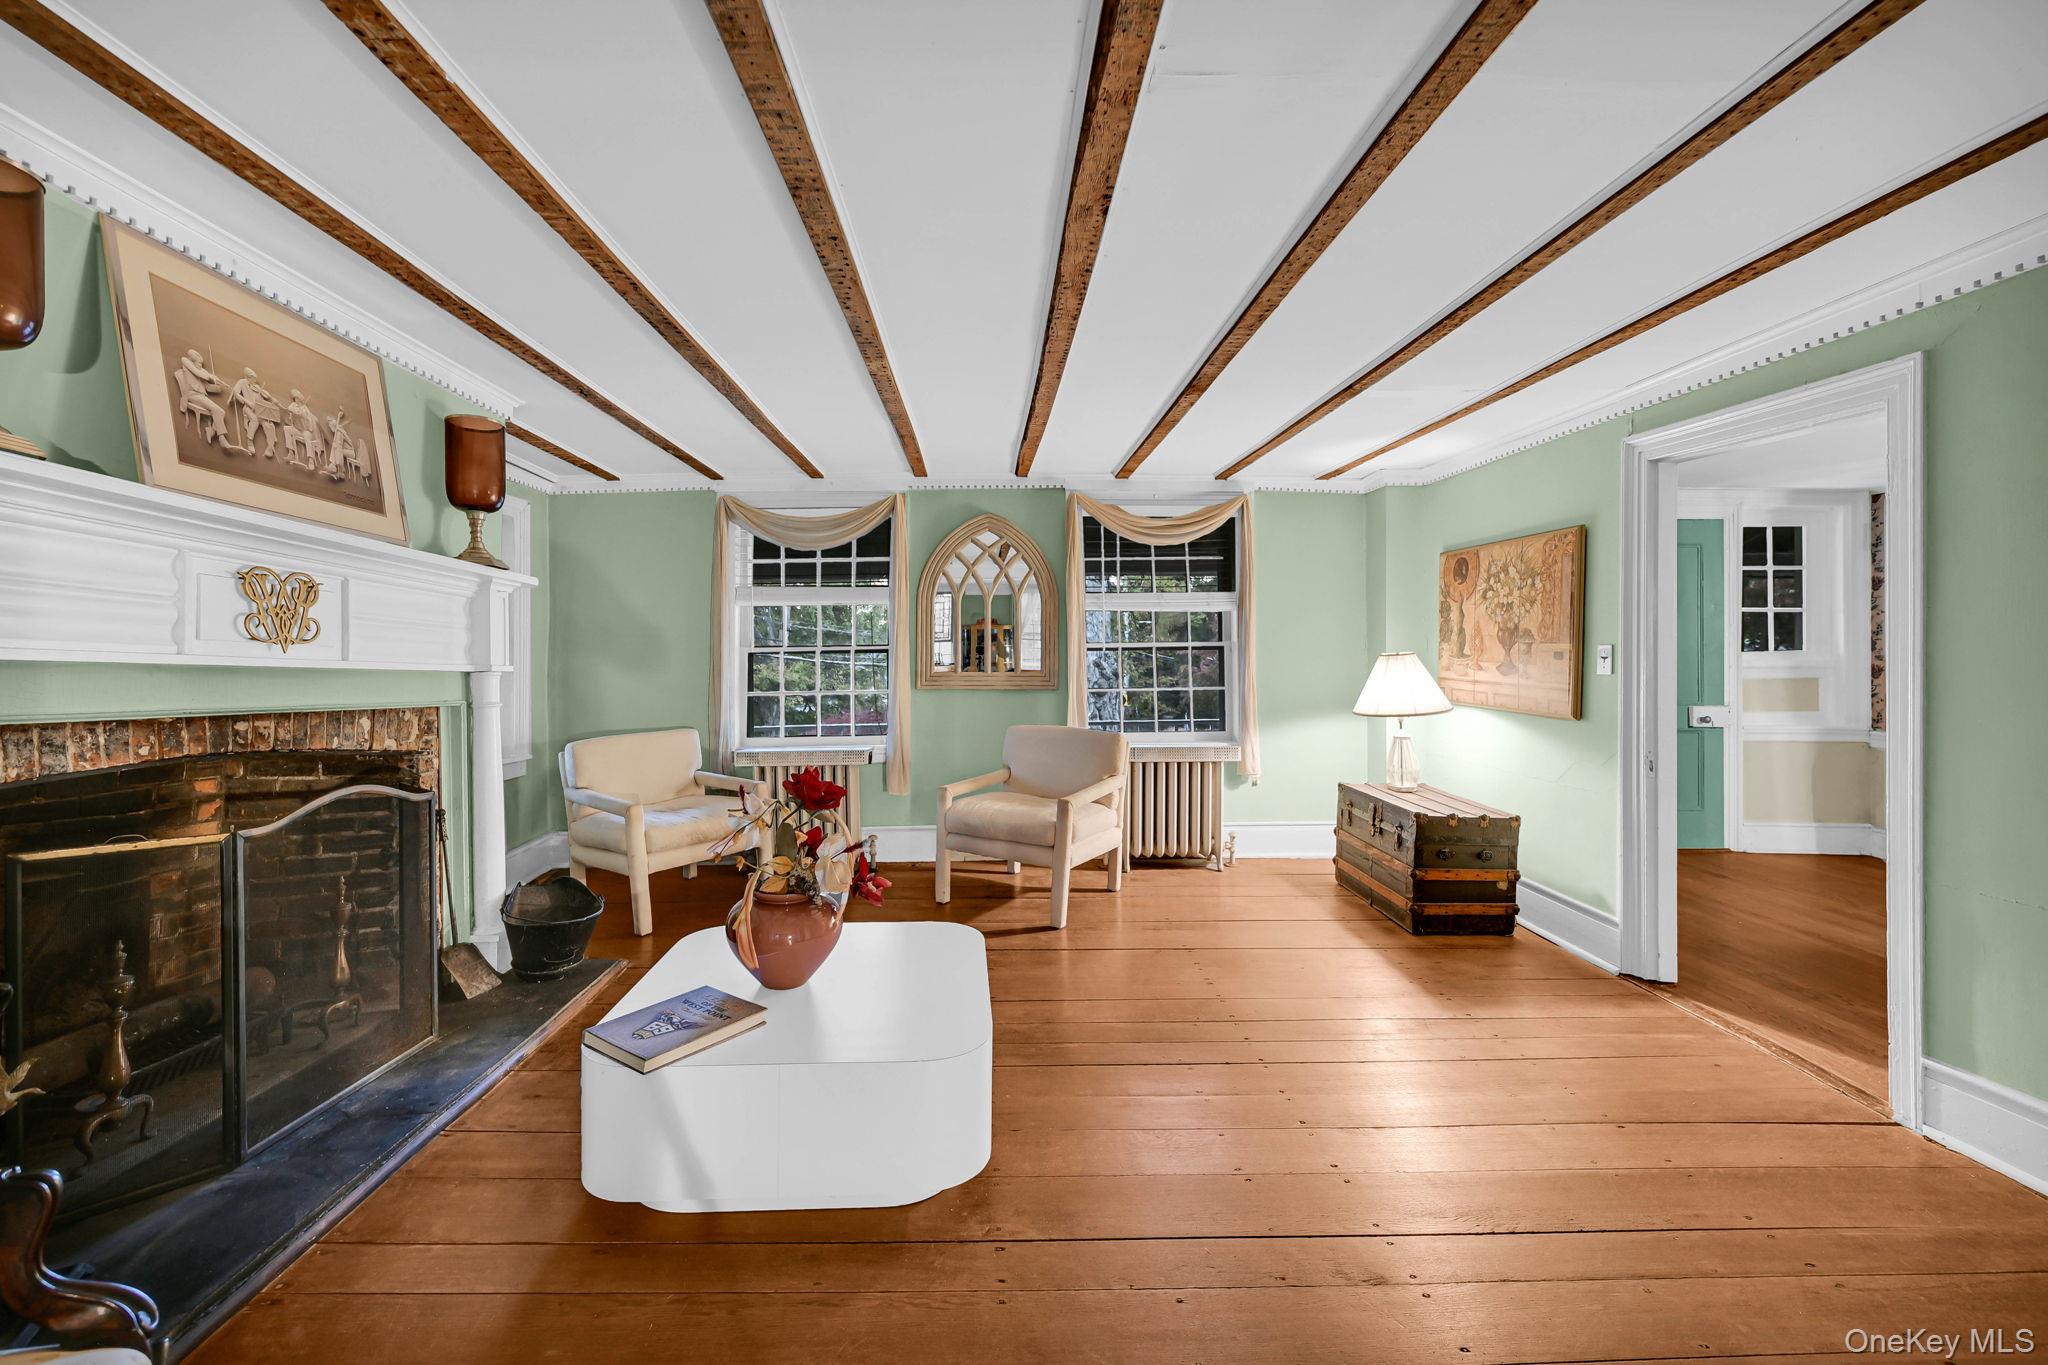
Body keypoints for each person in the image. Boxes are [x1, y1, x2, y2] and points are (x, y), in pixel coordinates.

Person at [173, 350, 230, 448]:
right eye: (198, 361)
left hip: (201, 396)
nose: (200, 364)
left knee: (221, 412)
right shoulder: (186, 362)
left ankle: (211, 431)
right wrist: (211, 377)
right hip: (191, 395)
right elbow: (201, 374)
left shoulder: (200, 370)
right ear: (193, 358)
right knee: (216, 410)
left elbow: (207, 387)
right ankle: (222, 438)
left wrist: (220, 385)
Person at [225, 368, 282, 458]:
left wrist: (277, 403)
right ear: (248, 377)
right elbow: (236, 392)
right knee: (254, 420)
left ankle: (270, 447)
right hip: (248, 408)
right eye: (253, 378)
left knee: (268, 425)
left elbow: (268, 397)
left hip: (260, 409)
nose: (255, 380)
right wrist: (247, 402)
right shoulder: (242, 382)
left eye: (255, 378)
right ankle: (249, 440)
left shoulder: (257, 387)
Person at [281, 389, 324, 469]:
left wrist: (302, 414)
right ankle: (291, 453)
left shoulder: (305, 408)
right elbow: (288, 416)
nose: (296, 400)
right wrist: (292, 416)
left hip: (306, 431)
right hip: (298, 429)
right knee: (286, 428)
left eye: (297, 398)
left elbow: (309, 421)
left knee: (307, 436)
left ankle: (311, 459)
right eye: (295, 398)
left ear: (300, 399)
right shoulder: (292, 406)